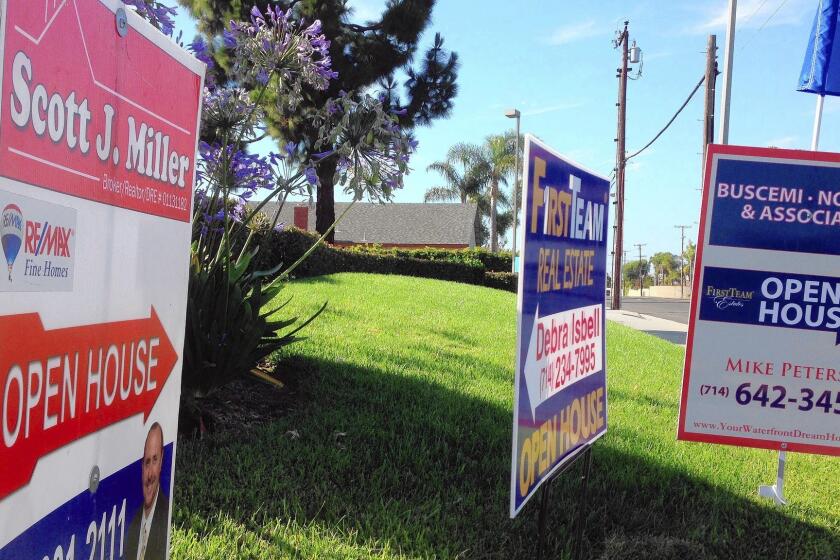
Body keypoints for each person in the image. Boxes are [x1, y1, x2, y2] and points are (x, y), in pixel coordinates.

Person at [125, 422, 170, 560]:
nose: (150, 475)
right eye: (147, 462)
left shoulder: (165, 516)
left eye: (155, 460)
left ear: (162, 460)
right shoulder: (132, 526)